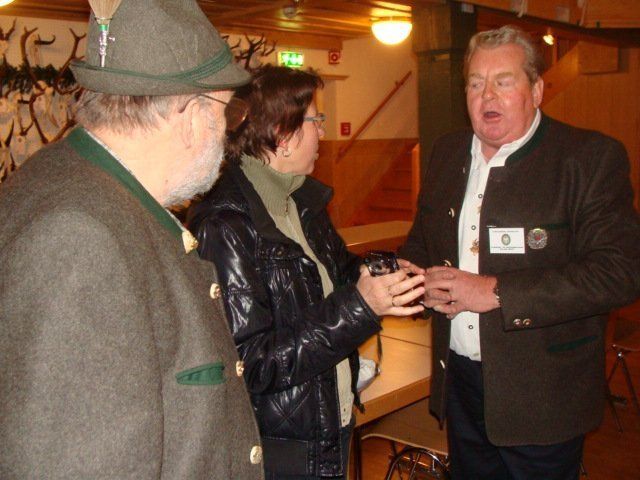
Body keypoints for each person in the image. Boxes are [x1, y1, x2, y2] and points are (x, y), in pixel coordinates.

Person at [0, 1, 265, 478]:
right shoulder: (80, 241)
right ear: (191, 114)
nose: (227, 134)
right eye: (227, 112)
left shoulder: (79, 192)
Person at [401, 25, 640, 480]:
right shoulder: (447, 152)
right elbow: (422, 243)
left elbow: (619, 272)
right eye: (476, 83)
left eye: (503, 81)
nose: (487, 95)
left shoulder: (588, 158)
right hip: (461, 385)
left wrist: (495, 292)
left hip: (544, 395)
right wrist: (415, 283)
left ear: (537, 90)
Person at [188, 65, 426, 479]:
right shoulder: (226, 224)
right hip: (281, 446)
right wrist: (360, 307)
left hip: (328, 421)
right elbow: (252, 363)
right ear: (283, 135)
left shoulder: (300, 201)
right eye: (316, 120)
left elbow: (337, 273)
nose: (323, 131)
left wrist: (391, 275)